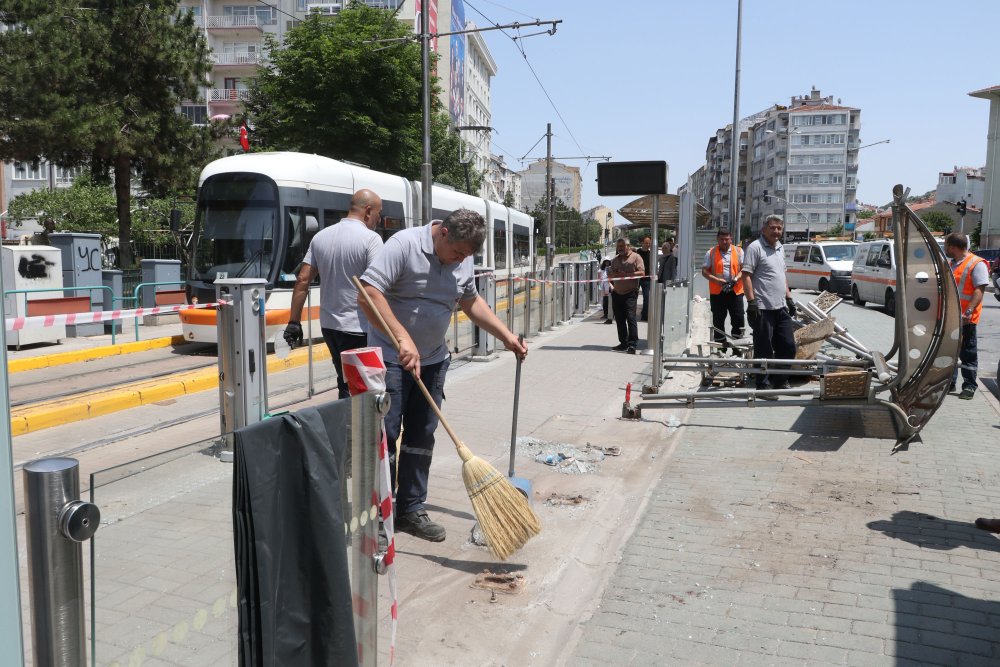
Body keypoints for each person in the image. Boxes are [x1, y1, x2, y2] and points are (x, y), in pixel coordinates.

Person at [358, 209, 527, 542]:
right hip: (390, 358)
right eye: (458, 253)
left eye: (465, 257)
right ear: (443, 232)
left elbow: (470, 300)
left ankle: (410, 509)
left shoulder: (460, 258)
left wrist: (506, 336)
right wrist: (403, 338)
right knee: (385, 435)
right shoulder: (403, 246)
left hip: (434, 359)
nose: (459, 261)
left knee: (422, 435)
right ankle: (379, 514)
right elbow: (368, 294)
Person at [283, 189, 383, 398]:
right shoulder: (371, 239)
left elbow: (302, 280)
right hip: (360, 327)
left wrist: (294, 322)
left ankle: (345, 426)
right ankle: (356, 429)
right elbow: (377, 286)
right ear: (368, 211)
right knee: (364, 388)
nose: (378, 219)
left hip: (330, 326)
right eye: (378, 214)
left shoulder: (321, 237)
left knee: (344, 380)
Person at [742, 215, 796, 393]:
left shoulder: (780, 248)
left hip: (780, 307)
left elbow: (782, 276)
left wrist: (789, 298)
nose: (776, 232)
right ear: (764, 228)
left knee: (788, 346)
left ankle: (780, 379)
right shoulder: (755, 247)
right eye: (773, 228)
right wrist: (751, 302)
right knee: (763, 349)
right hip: (762, 308)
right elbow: (746, 276)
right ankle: (763, 384)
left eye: (779, 228)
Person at [944, 232, 989, 399]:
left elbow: (979, 291)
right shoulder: (953, 263)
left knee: (968, 353)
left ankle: (969, 386)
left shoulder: (976, 263)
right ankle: (950, 382)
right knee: (950, 352)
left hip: (966, 318)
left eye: (947, 246)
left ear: (953, 247)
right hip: (951, 317)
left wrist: (968, 311)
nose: (946, 249)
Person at [702, 228, 745, 353]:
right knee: (718, 322)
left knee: (738, 320)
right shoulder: (711, 252)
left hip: (735, 291)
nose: (725, 242)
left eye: (727, 239)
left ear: (731, 238)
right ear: (718, 239)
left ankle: (737, 350)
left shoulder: (739, 251)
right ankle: (721, 351)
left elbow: (744, 269)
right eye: (722, 239)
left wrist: (736, 279)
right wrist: (717, 280)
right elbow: (704, 271)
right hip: (718, 293)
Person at [609, 238, 644, 354]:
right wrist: (615, 275)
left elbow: (642, 273)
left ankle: (632, 344)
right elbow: (611, 274)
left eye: (622, 246)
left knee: (631, 318)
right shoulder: (615, 260)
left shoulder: (636, 257)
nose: (620, 248)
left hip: (630, 293)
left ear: (628, 246)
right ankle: (623, 343)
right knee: (619, 319)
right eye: (618, 246)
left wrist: (627, 274)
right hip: (617, 293)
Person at [636, 236, 653, 321]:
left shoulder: (651, 254)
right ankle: (631, 314)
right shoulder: (637, 253)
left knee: (647, 297)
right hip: (637, 278)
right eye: (646, 243)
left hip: (647, 278)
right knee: (634, 296)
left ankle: (645, 315)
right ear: (642, 243)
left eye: (649, 243)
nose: (648, 244)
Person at [598, 259, 613, 324]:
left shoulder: (611, 268)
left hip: (609, 286)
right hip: (603, 286)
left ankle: (610, 315)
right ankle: (605, 313)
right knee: (605, 300)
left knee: (609, 302)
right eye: (605, 262)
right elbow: (599, 276)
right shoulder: (602, 269)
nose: (607, 263)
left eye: (608, 262)